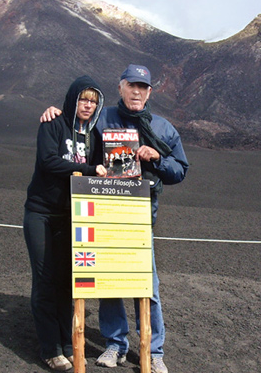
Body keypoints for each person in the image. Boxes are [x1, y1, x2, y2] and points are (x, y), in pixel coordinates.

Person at [40, 65, 189, 373]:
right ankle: (115, 343)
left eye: (143, 87)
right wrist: (56, 112)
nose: (137, 91)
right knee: (108, 280)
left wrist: (157, 159)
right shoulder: (102, 119)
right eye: (131, 85)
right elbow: (75, 131)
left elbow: (179, 170)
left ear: (150, 92)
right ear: (121, 87)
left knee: (146, 283)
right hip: (105, 211)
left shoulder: (162, 128)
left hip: (141, 215)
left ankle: (154, 349)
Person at [24, 75, 107, 371]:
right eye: (83, 99)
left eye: (93, 101)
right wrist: (85, 168)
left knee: (66, 282)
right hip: (41, 213)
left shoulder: (94, 136)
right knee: (45, 279)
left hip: (71, 216)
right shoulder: (53, 124)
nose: (88, 105)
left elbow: (102, 171)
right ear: (73, 99)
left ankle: (68, 343)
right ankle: (50, 347)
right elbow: (48, 161)